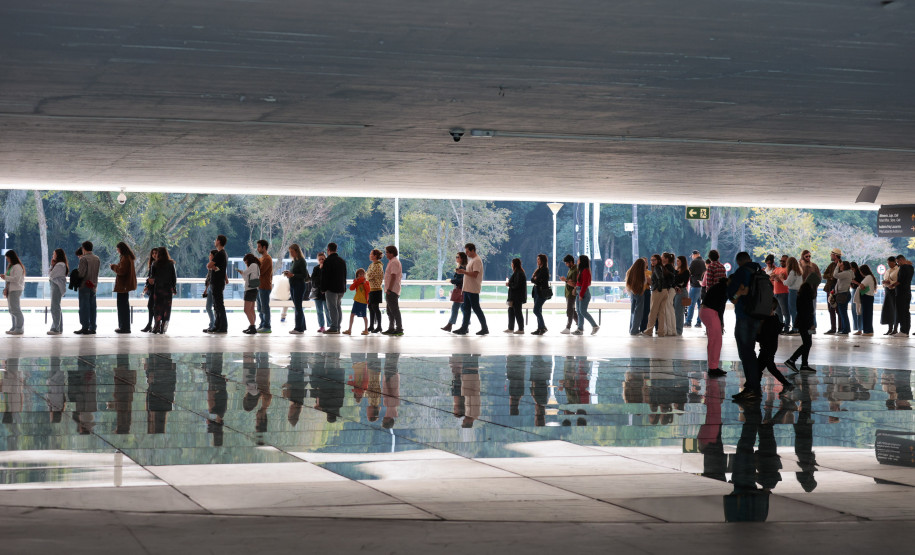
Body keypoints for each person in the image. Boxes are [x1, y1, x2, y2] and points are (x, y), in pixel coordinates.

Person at [728, 251, 763, 401]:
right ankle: (753, 386)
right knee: (751, 352)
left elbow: (734, 299)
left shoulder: (741, 272)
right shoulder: (760, 271)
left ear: (738, 262)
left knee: (745, 353)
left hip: (744, 316)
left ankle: (752, 388)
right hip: (757, 316)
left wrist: (739, 293)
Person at [785, 269, 820, 373]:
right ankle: (792, 360)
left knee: (807, 343)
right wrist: (811, 323)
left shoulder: (804, 289)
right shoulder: (807, 291)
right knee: (807, 343)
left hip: (802, 321)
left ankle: (804, 364)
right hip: (805, 322)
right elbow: (808, 310)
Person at [757, 300, 795, 393]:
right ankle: (753, 384)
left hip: (767, 348)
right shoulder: (775, 318)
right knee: (760, 367)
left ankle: (786, 384)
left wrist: (756, 335)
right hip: (771, 347)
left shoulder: (768, 322)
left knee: (766, 367)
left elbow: (763, 337)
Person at [453, 243, 489, 335]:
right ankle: (464, 328)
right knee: (466, 309)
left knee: (476, 309)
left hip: (472, 289)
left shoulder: (477, 260)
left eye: (467, 251)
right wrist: (463, 272)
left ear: (472, 250)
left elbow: (475, 274)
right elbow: (469, 273)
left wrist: (464, 272)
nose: (466, 253)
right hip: (468, 289)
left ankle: (484, 328)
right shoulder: (472, 260)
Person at [73, 240, 100, 335]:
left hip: (84, 286)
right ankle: (93, 327)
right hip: (93, 285)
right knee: (93, 307)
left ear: (84, 249)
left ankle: (84, 327)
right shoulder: (97, 258)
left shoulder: (84, 259)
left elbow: (81, 274)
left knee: (84, 307)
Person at [702, 277, 728, 377]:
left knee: (713, 341)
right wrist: (721, 322)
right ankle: (713, 368)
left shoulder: (718, 286)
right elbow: (721, 307)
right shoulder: (724, 289)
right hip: (711, 313)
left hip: (706, 312)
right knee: (716, 341)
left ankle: (712, 366)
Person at [110, 242, 137, 334]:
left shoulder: (125, 258)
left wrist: (113, 267)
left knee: (122, 307)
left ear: (121, 249)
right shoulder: (129, 257)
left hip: (123, 286)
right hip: (125, 286)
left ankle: (124, 327)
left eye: (118, 249)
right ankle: (124, 326)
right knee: (124, 307)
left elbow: (121, 271)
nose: (117, 251)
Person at [320, 242, 347, 334]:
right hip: (341, 288)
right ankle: (338, 326)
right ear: (336, 249)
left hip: (331, 289)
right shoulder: (342, 261)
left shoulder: (328, 261)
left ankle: (334, 327)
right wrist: (344, 287)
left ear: (328, 250)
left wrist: (323, 288)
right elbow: (344, 275)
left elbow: (325, 276)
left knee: (332, 308)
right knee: (338, 307)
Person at [150, 246, 177, 334]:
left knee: (157, 307)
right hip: (168, 289)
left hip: (158, 289)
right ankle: (163, 327)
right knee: (166, 308)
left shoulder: (155, 264)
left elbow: (152, 277)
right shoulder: (171, 263)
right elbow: (174, 277)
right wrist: (174, 288)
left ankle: (157, 325)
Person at [282, 244, 309, 334]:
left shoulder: (301, 261)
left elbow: (304, 275)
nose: (291, 253)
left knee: (298, 307)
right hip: (293, 285)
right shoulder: (294, 261)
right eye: (290, 252)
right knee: (298, 307)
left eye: (292, 252)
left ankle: (298, 328)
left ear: (297, 251)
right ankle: (302, 326)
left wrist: (293, 275)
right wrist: (289, 274)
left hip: (299, 286)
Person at [205, 235, 228, 334]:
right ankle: (218, 325)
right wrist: (215, 267)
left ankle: (222, 326)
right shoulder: (223, 254)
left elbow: (209, 265)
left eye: (216, 240)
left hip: (217, 282)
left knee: (219, 305)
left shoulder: (220, 253)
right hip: (218, 282)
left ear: (218, 241)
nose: (215, 241)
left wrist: (213, 267)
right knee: (217, 305)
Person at [573, 254, 600, 335]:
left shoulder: (585, 270)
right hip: (579, 291)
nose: (577, 261)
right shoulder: (581, 270)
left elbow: (585, 284)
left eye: (579, 259)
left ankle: (595, 326)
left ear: (582, 261)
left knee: (583, 311)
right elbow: (580, 282)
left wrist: (581, 294)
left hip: (583, 293)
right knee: (579, 311)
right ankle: (580, 329)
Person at [644, 254, 670, 337]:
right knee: (661, 312)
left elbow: (660, 278)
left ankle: (649, 331)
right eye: (651, 260)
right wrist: (667, 287)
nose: (652, 261)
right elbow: (671, 277)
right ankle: (661, 332)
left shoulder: (657, 268)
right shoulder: (663, 267)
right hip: (665, 291)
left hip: (658, 291)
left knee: (653, 311)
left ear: (658, 260)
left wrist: (658, 288)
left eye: (654, 260)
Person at [1, 250, 26, 335]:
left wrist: (6, 277)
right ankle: (14, 327)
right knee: (11, 310)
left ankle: (19, 328)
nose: (7, 259)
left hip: (16, 289)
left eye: (8, 258)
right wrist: (6, 288)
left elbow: (16, 279)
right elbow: (9, 279)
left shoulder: (18, 266)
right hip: (10, 290)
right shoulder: (11, 266)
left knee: (16, 309)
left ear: (11, 257)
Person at [441, 252, 467, 332]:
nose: (456, 258)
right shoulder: (461, 267)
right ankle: (466, 326)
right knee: (463, 309)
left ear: (462, 258)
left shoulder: (462, 268)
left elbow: (461, 280)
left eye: (457, 257)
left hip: (460, 290)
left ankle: (450, 325)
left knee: (455, 308)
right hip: (462, 290)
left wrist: (451, 281)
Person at [382, 245, 403, 335]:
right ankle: (391, 328)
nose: (386, 254)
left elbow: (393, 276)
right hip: (389, 289)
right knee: (389, 310)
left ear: (391, 253)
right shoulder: (391, 261)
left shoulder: (394, 262)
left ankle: (399, 328)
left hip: (392, 290)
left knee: (394, 310)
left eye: (387, 252)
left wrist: (389, 289)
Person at [48, 248, 69, 335]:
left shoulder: (60, 265)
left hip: (57, 287)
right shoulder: (59, 264)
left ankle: (56, 328)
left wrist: (52, 266)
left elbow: (51, 275)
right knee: (56, 307)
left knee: (54, 307)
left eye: (54, 254)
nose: (53, 255)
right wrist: (52, 265)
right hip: (55, 286)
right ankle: (58, 327)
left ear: (58, 255)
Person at [344, 268, 371, 335]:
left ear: (364, 275)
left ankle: (366, 330)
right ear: (357, 275)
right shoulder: (357, 282)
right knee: (352, 315)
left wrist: (364, 283)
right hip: (356, 300)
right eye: (359, 274)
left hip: (363, 302)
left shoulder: (366, 282)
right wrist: (356, 281)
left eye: (362, 274)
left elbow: (368, 290)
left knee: (364, 316)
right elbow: (351, 288)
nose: (361, 275)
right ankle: (349, 330)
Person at [238, 253, 260, 334]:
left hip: (250, 290)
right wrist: (242, 273)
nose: (245, 263)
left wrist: (242, 272)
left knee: (246, 309)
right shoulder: (255, 266)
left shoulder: (253, 265)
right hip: (253, 289)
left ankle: (253, 326)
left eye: (245, 262)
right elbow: (246, 278)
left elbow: (245, 273)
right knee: (251, 309)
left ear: (248, 260)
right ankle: (252, 326)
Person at [625, 258, 648, 335]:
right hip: (640, 292)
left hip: (632, 292)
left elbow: (628, 282)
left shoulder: (630, 271)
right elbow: (644, 281)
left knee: (633, 311)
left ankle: (631, 328)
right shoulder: (641, 273)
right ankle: (634, 330)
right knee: (638, 312)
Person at [821, 248, 842, 334]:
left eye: (831, 254)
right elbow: (824, 275)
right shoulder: (831, 265)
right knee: (831, 309)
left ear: (835, 255)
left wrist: (832, 276)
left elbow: (838, 276)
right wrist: (831, 276)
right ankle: (833, 328)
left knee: (838, 310)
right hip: (830, 289)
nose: (830, 256)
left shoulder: (841, 265)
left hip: (837, 290)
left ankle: (840, 328)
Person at [505, 258, 527, 334]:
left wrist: (509, 284)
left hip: (517, 297)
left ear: (514, 264)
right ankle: (510, 328)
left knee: (518, 312)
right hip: (514, 296)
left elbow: (517, 285)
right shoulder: (517, 272)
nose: (511, 265)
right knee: (511, 311)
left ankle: (521, 329)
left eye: (512, 263)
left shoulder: (519, 273)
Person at [255, 240, 273, 333]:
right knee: (259, 307)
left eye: (259, 247)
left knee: (265, 307)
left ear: (264, 247)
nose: (257, 248)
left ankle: (267, 326)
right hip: (259, 286)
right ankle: (262, 324)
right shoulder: (261, 258)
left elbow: (260, 271)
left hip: (265, 287)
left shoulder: (267, 258)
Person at [853, 264, 876, 336]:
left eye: (860, 271)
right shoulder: (870, 277)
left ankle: (868, 331)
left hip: (867, 297)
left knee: (866, 315)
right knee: (867, 314)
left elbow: (862, 286)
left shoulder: (868, 277)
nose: (860, 273)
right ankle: (868, 330)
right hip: (869, 297)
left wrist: (857, 283)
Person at [833, 260, 855, 335]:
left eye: (841, 265)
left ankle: (846, 329)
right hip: (845, 293)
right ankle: (846, 328)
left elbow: (835, 275)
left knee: (843, 313)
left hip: (843, 294)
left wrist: (837, 266)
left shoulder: (846, 273)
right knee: (843, 312)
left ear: (845, 266)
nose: (840, 266)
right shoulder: (849, 273)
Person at [686, 250, 706, 328]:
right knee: (700, 305)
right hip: (701, 286)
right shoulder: (703, 261)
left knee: (691, 304)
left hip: (695, 285)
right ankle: (699, 322)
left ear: (694, 255)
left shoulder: (694, 262)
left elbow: (689, 272)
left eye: (692, 255)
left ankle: (688, 321)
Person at [559, 254, 579, 334]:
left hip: (572, 294)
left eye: (567, 263)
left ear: (570, 262)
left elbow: (574, 284)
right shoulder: (571, 269)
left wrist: (566, 280)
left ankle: (568, 327)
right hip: (568, 293)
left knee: (570, 310)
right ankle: (580, 325)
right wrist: (566, 280)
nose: (566, 265)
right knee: (572, 311)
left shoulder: (575, 270)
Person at [530, 253, 550, 335]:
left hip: (542, 293)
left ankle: (543, 327)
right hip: (536, 292)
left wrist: (535, 279)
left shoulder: (544, 269)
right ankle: (539, 329)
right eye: (537, 259)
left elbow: (537, 280)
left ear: (542, 260)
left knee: (535, 310)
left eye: (538, 259)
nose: (537, 260)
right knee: (539, 310)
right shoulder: (539, 269)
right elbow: (533, 279)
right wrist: (535, 279)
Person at [310, 252, 330, 332]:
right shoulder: (316, 268)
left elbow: (327, 280)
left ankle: (330, 325)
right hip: (317, 293)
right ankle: (321, 326)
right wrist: (320, 270)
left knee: (327, 310)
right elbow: (314, 280)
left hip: (326, 293)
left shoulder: (328, 268)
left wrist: (322, 270)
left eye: (323, 259)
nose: (321, 261)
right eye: (320, 259)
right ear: (317, 260)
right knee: (319, 311)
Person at [770, 255, 790, 333]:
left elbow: (783, 278)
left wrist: (776, 277)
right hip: (776, 293)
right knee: (778, 313)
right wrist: (777, 277)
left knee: (785, 312)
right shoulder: (777, 269)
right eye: (781, 261)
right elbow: (771, 277)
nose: (781, 262)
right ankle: (780, 327)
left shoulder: (788, 270)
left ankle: (786, 328)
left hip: (784, 293)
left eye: (783, 261)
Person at [784, 256, 803, 334]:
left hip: (793, 292)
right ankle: (798, 327)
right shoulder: (799, 272)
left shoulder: (792, 272)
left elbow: (788, 283)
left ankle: (795, 328)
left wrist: (782, 279)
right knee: (797, 310)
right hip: (799, 291)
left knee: (793, 310)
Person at [366, 249, 385, 333]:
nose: (370, 255)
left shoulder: (378, 265)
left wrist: (367, 275)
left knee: (375, 307)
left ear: (375, 256)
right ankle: (371, 325)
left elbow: (370, 275)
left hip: (376, 289)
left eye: (371, 254)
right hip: (371, 289)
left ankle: (379, 326)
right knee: (370, 307)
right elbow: (368, 274)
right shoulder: (372, 265)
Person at [895, 254, 913, 336]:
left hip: (901, 293)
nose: (897, 264)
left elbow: (900, 281)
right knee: (906, 312)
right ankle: (906, 331)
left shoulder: (902, 268)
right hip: (908, 292)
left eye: (898, 262)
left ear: (901, 260)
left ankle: (903, 331)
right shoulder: (911, 268)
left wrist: (891, 285)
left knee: (901, 312)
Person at [672, 255, 690, 335]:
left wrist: (677, 286)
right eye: (677, 260)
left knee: (679, 312)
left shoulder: (686, 271)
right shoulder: (676, 270)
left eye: (678, 261)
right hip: (676, 291)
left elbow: (683, 282)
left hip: (681, 292)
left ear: (682, 262)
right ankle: (675, 328)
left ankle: (679, 330)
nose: (677, 262)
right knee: (675, 311)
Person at [881, 256, 898, 335]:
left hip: (894, 291)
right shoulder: (887, 271)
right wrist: (884, 282)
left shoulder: (898, 269)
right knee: (888, 310)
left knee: (894, 309)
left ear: (894, 262)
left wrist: (890, 282)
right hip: (887, 291)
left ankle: (895, 329)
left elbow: (898, 281)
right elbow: (885, 280)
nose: (888, 264)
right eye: (887, 263)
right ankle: (889, 329)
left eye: (890, 263)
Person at [142, 249, 158, 333]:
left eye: (156, 253)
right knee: (150, 306)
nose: (154, 255)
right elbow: (150, 276)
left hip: (156, 289)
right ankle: (151, 324)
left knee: (152, 306)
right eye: (153, 253)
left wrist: (150, 283)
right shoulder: (152, 263)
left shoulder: (157, 264)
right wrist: (147, 285)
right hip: (152, 288)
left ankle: (153, 325)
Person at [201, 250, 218, 333]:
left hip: (215, 287)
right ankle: (212, 324)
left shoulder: (215, 266)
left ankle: (213, 325)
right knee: (208, 307)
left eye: (210, 255)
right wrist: (206, 290)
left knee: (214, 307)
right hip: (210, 288)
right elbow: (208, 279)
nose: (209, 256)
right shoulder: (211, 267)